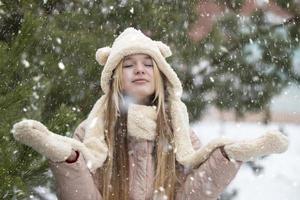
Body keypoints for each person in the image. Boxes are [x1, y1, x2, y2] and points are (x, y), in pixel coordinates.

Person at [12, 27, 288, 200]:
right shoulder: (93, 128)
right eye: (129, 64)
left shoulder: (178, 131)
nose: (140, 69)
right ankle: (62, 154)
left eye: (148, 64)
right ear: (115, 77)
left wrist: (225, 159)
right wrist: (71, 160)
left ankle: (232, 153)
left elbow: (192, 195)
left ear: (161, 75)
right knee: (75, 160)